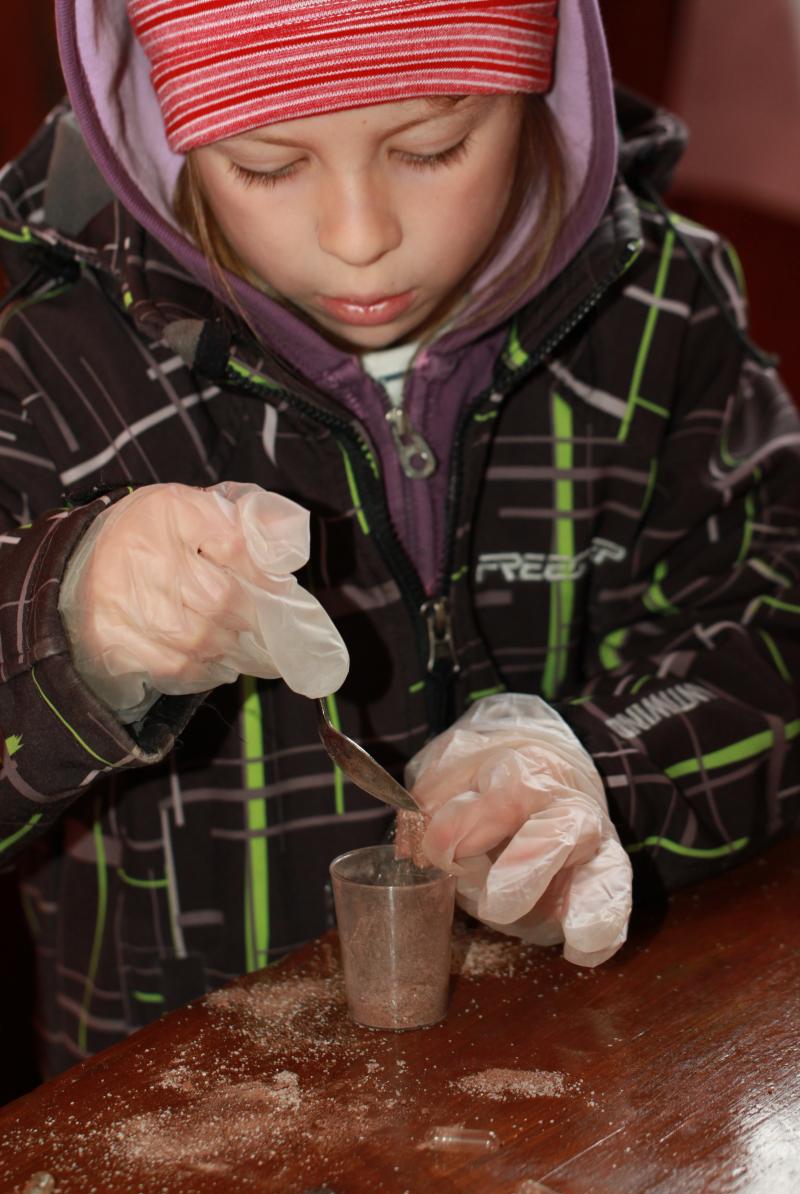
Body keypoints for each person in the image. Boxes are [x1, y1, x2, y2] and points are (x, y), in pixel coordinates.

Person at [0, 0, 798, 1080]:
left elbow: (773, 620)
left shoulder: (657, 314)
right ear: (166, 121)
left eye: (433, 146)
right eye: (267, 163)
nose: (359, 234)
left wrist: (602, 767)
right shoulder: (45, 368)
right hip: (175, 1104)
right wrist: (62, 624)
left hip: (583, 1078)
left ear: (540, 78)